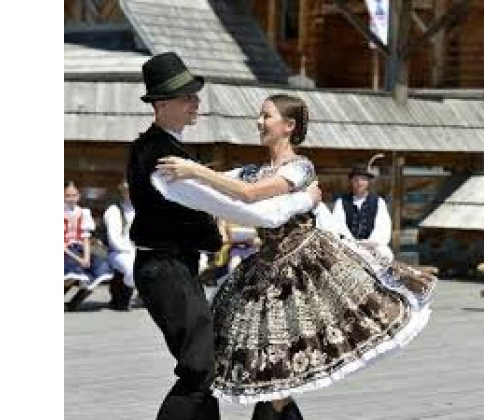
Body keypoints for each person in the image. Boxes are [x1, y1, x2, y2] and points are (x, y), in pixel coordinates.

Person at [155, 94, 437, 420]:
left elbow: (250, 194)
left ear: (288, 126)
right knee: (275, 379)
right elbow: (228, 185)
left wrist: (196, 171)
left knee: (280, 382)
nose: (259, 122)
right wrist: (183, 176)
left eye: (266, 116)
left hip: (305, 273)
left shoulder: (301, 168)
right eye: (260, 116)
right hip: (264, 271)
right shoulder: (256, 170)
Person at [126, 52, 322, 420]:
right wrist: (301, 201)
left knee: (228, 369)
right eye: (187, 97)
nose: (196, 102)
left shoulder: (170, 153)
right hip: (166, 268)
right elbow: (244, 206)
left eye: (194, 95)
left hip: (185, 267)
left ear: (289, 126)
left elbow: (231, 186)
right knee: (203, 368)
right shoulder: (164, 161)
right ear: (162, 104)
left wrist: (200, 172)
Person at [64, 180, 114, 311]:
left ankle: (74, 302)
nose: (71, 199)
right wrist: (78, 259)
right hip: (65, 250)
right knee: (71, 274)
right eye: (67, 195)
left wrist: (85, 257)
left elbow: (85, 238)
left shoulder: (83, 212)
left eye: (74, 195)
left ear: (79, 195)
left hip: (79, 248)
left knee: (100, 269)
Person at [331, 164, 394, 262]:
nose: (359, 183)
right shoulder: (341, 201)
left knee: (386, 255)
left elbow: (383, 226)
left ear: (368, 182)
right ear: (351, 181)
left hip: (372, 246)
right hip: (349, 246)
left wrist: (369, 243)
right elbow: (338, 226)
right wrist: (352, 243)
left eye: (363, 179)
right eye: (356, 180)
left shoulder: (378, 201)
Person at [103, 180, 136, 311]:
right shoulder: (114, 210)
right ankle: (122, 297)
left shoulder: (143, 210)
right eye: (128, 190)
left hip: (138, 250)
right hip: (119, 252)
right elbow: (114, 239)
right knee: (132, 267)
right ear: (123, 192)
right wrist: (132, 250)